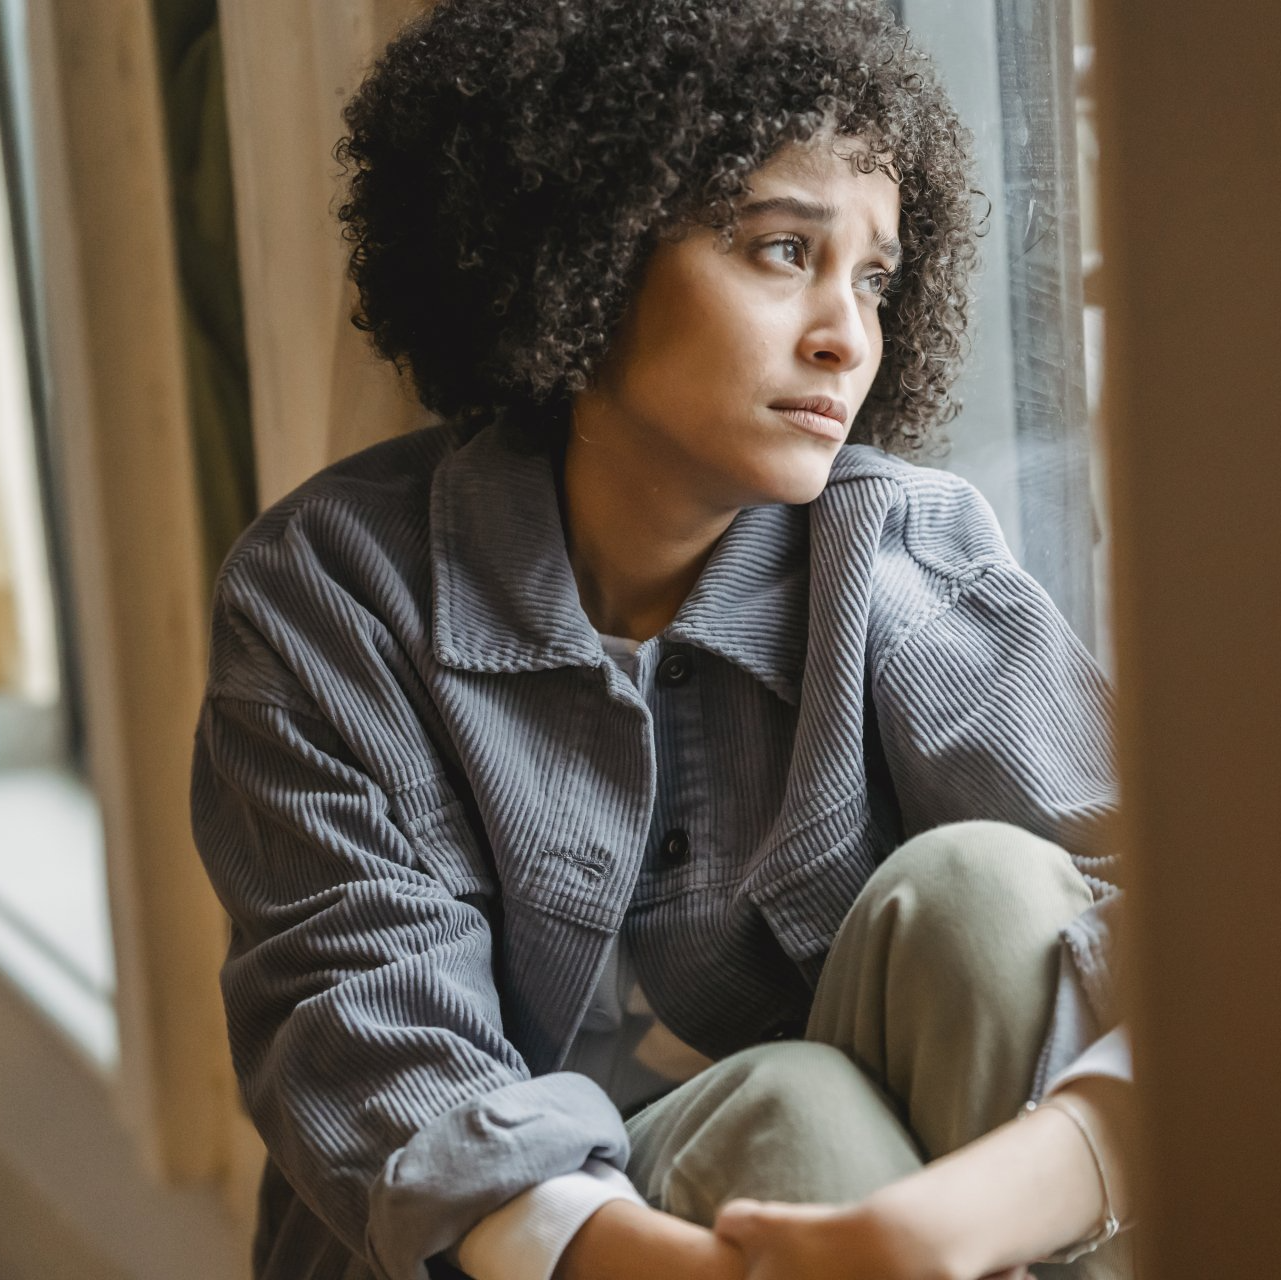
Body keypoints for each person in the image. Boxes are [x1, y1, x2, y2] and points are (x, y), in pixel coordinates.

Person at [190, 1, 1135, 1278]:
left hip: (887, 1239)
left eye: (873, 274)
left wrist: (930, 1230)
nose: (846, 334)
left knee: (995, 895)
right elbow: (371, 1033)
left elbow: (1194, 937)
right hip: (529, 1257)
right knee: (800, 1116)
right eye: (780, 247)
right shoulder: (332, 592)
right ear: (587, 241)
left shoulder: (901, 553)